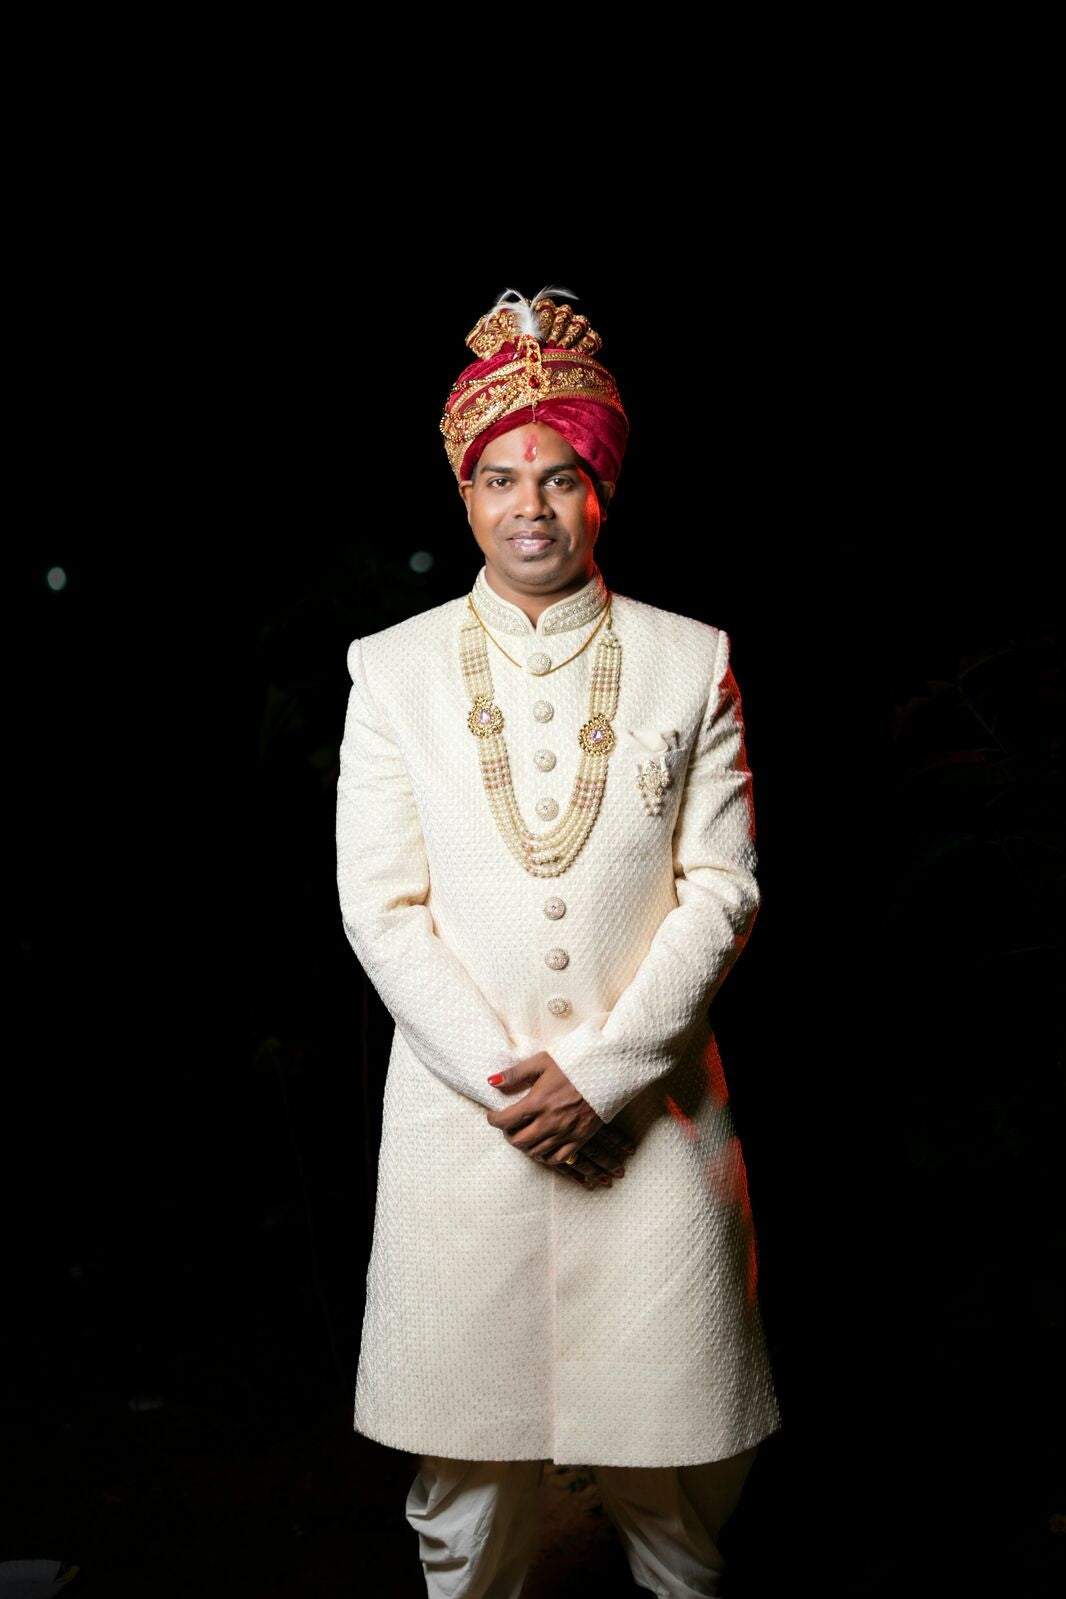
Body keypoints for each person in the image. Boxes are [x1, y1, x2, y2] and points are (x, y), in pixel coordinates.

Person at [335, 286, 781, 1598]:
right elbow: (381, 904)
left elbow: (724, 886)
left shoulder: (688, 661)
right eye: (500, 478)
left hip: (650, 1121)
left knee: (674, 1488)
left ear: (602, 492)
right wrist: (502, 1081)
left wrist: (606, 1070)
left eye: (562, 476)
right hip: (458, 1130)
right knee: (465, 1499)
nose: (529, 505)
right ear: (465, 495)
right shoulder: (392, 670)